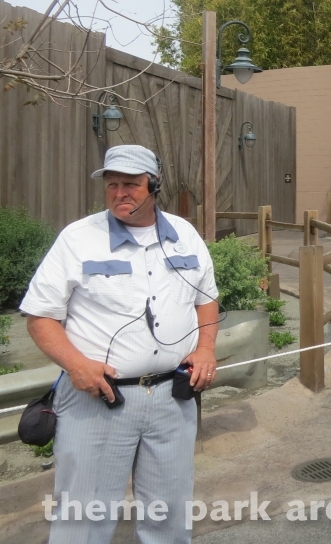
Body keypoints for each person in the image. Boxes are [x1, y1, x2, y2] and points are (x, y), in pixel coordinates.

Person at [20, 145, 219, 544]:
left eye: (131, 184)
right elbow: (41, 317)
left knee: (169, 514)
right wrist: (76, 365)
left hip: (172, 398)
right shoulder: (78, 239)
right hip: (99, 400)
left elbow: (206, 299)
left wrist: (206, 349)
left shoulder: (186, 236)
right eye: (112, 184)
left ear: (154, 185)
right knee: (83, 520)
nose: (119, 193)